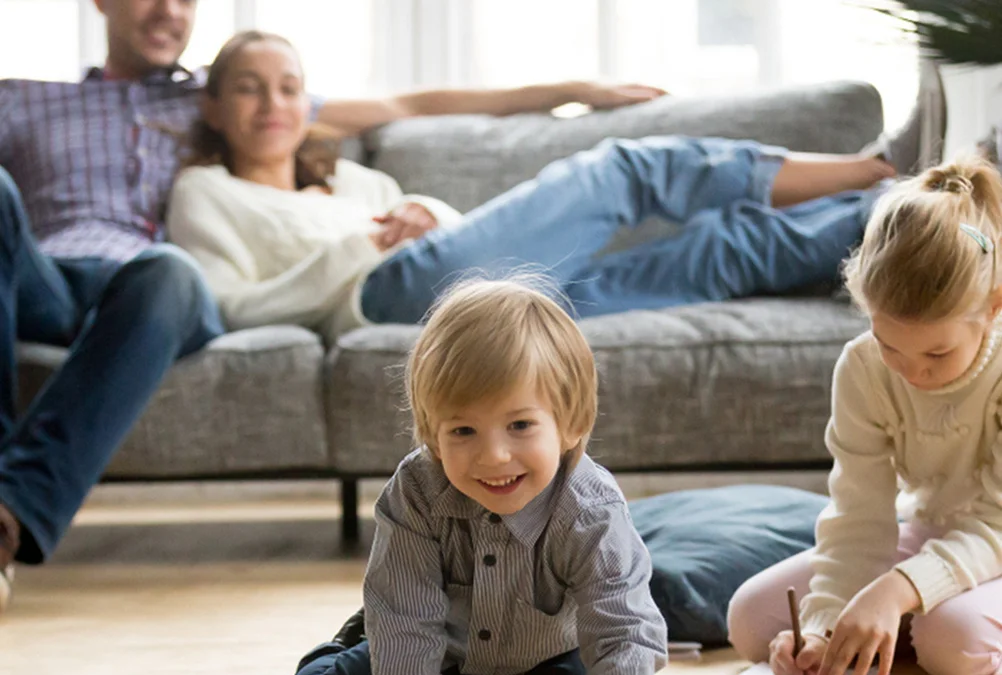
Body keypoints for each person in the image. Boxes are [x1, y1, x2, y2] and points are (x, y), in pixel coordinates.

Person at [0, 0, 658, 617]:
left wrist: (571, 91)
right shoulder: (26, 100)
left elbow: (409, 103)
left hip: (152, 295)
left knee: (168, 269)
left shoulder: (216, 97)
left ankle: (10, 513)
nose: (170, 12)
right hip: (47, 279)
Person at [167, 30, 898, 345]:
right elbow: (226, 308)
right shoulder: (207, 192)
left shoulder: (358, 179)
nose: (272, 105)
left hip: (482, 301)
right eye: (248, 89)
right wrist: (357, 249)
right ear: (214, 107)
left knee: (714, 253)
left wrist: (431, 213)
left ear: (309, 103)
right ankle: (875, 163)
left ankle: (900, 210)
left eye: (288, 88)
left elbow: (457, 243)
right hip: (385, 298)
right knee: (621, 172)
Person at [285, 279, 669, 675]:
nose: (493, 457)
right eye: (463, 431)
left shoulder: (591, 508)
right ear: (431, 434)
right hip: (441, 649)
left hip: (550, 653)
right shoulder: (417, 491)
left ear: (571, 424)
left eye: (519, 425)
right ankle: (352, 638)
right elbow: (407, 626)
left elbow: (625, 629)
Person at [728, 157, 1002, 675]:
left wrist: (897, 591)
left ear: (994, 308)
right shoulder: (862, 367)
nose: (912, 371)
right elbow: (858, 517)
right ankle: (890, 632)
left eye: (937, 353)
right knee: (751, 620)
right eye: (889, 344)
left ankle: (910, 625)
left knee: (955, 643)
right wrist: (822, 628)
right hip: (932, 533)